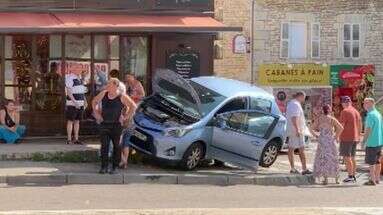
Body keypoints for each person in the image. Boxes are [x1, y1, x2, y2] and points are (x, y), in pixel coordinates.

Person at [92, 78, 137, 174]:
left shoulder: (121, 96)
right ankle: (104, 167)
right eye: (107, 84)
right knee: (104, 146)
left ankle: (114, 167)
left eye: (109, 84)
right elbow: (94, 101)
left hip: (116, 125)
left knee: (117, 146)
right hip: (104, 124)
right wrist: (96, 113)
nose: (107, 86)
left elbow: (133, 106)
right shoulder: (104, 93)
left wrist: (125, 117)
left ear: (116, 86)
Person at [310, 105, 343, 185]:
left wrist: (316, 136)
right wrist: (336, 136)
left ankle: (325, 179)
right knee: (333, 158)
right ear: (329, 110)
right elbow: (341, 128)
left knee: (323, 159)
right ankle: (336, 179)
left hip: (322, 140)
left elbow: (310, 128)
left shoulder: (319, 119)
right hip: (330, 140)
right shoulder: (332, 119)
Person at [119, 73, 146, 168]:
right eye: (126, 77)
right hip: (127, 108)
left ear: (133, 77)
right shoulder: (126, 85)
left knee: (119, 140)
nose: (127, 78)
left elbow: (143, 96)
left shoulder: (137, 84)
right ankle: (124, 161)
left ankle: (123, 161)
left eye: (129, 77)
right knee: (125, 142)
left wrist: (134, 98)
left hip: (133, 108)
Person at [286, 91, 312, 175]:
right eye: (304, 98)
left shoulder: (291, 103)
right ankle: (304, 169)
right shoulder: (295, 104)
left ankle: (294, 168)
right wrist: (297, 129)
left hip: (293, 130)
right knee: (301, 149)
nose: (304, 100)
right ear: (300, 96)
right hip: (297, 130)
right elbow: (295, 117)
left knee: (291, 148)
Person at [339, 96, 362, 183]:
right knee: (352, 157)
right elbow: (360, 124)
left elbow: (342, 126)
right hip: (355, 137)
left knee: (346, 157)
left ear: (343, 103)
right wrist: (358, 135)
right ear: (350, 102)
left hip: (346, 137)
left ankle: (350, 176)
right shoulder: (356, 111)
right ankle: (353, 174)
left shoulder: (345, 111)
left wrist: (337, 135)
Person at [362, 98, 383, 186]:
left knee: (371, 163)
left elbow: (368, 129)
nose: (364, 105)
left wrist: (364, 141)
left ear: (371, 103)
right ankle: (377, 179)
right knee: (377, 162)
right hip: (379, 141)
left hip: (372, 142)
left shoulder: (370, 115)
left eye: (365, 103)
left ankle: (372, 180)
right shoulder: (378, 114)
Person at [65, 69, 87, 145]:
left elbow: (82, 92)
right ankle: (69, 139)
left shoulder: (80, 79)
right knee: (70, 120)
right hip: (72, 104)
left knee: (77, 121)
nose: (80, 71)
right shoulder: (70, 78)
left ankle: (76, 139)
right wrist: (75, 102)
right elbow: (68, 92)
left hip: (80, 103)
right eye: (78, 69)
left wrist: (85, 101)